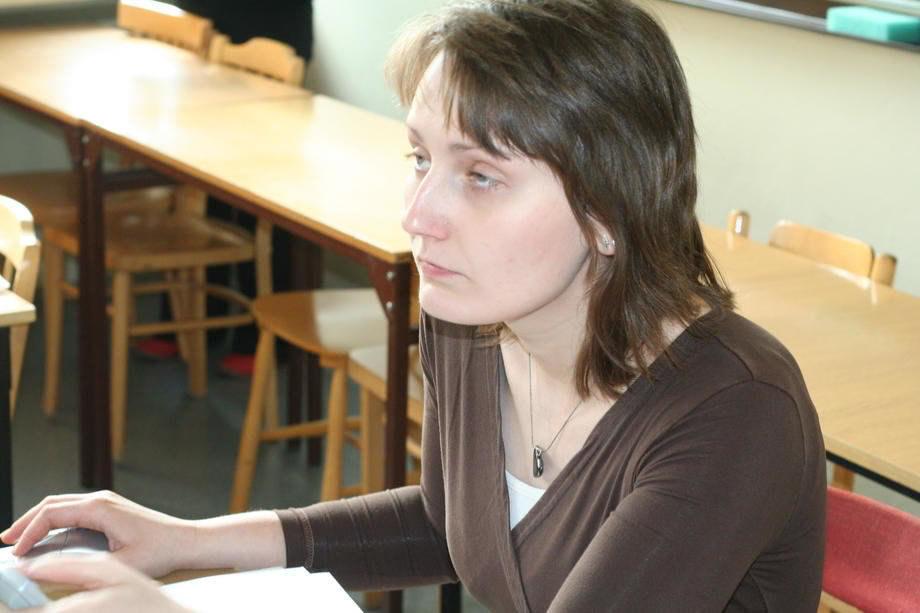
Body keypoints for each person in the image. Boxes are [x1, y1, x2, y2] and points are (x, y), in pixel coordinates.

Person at [1, 1, 826, 610]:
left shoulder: (733, 412)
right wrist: (185, 541)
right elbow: (449, 525)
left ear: (610, 210)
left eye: (481, 176)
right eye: (421, 159)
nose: (418, 214)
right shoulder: (471, 317)